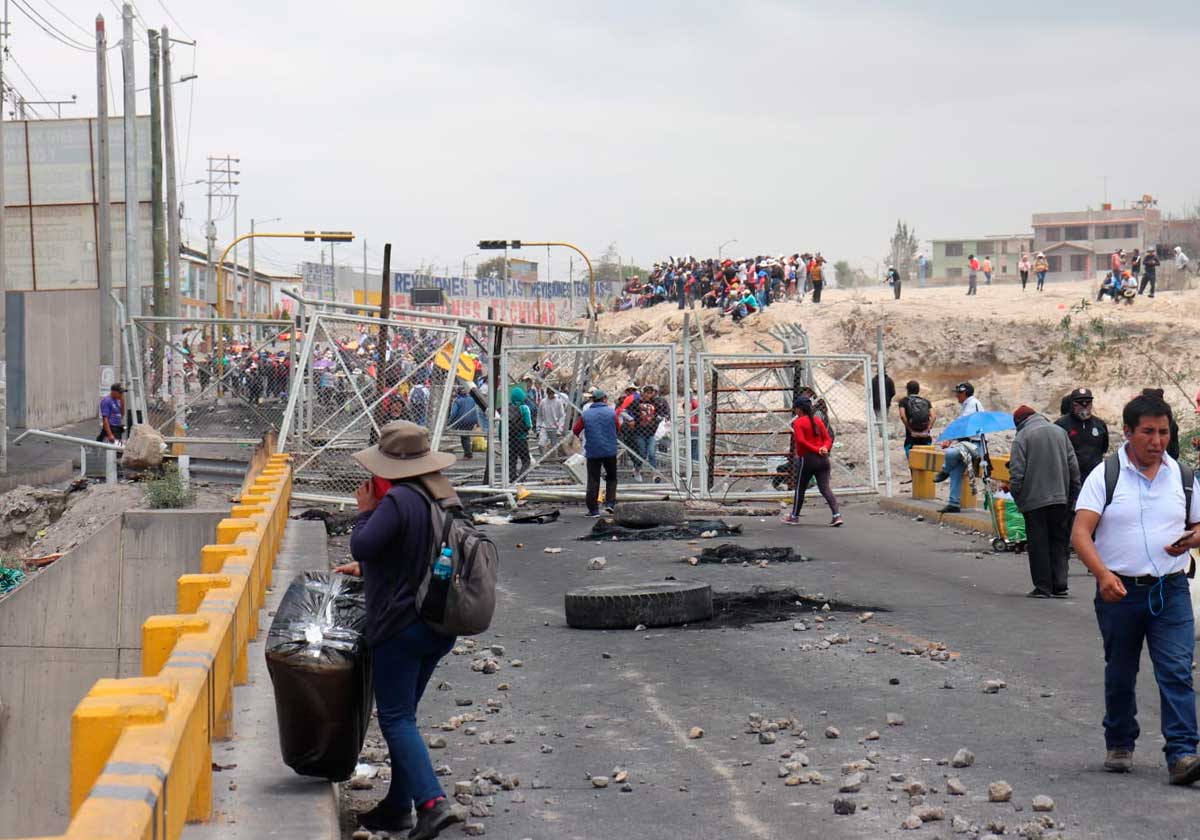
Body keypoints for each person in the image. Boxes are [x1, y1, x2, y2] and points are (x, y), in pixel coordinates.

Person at [335, 421, 464, 837]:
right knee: (406, 715)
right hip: (439, 621)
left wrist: (365, 512)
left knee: (394, 718)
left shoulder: (397, 501)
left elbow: (365, 545)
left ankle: (431, 803)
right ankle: (397, 807)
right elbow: (414, 552)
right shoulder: (442, 495)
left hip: (401, 624)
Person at [1071, 392, 1200, 785]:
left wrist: (1192, 539)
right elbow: (1080, 533)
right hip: (1119, 593)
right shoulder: (1105, 476)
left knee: (1177, 670)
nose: (1156, 441)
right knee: (1122, 671)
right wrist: (1103, 576)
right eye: (1148, 432)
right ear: (1127, 432)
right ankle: (1120, 741)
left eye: (1163, 432)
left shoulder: (1184, 477)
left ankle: (1183, 754)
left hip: (1171, 589)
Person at [1009, 405, 1080, 598]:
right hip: (1060, 498)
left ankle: (1043, 587)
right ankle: (1060, 584)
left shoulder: (1022, 438)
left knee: (1038, 543)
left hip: (1034, 500)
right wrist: (1074, 495)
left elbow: (1017, 473)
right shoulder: (1060, 432)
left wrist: (1018, 497)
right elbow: (1073, 467)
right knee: (1059, 541)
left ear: (1019, 422)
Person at [783, 396, 843, 527]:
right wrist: (824, 448)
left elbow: (801, 442)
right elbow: (828, 438)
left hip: (808, 459)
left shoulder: (798, 423)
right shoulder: (817, 420)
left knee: (800, 488)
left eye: (796, 408)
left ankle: (794, 516)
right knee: (825, 488)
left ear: (799, 409)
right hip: (823, 459)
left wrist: (816, 449)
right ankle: (836, 515)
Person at [934, 382, 984, 513]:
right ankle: (953, 503)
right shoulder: (967, 405)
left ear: (964, 393)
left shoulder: (972, 403)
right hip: (966, 445)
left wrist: (949, 439)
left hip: (975, 445)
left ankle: (944, 471)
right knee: (956, 471)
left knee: (950, 454)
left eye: (958, 393)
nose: (956, 396)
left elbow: (962, 423)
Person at [573, 389, 619, 517]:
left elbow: (576, 430)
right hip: (610, 450)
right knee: (612, 477)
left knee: (593, 479)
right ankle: (610, 503)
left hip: (593, 451)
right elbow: (618, 427)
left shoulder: (586, 414)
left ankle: (593, 510)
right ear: (604, 399)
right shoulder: (611, 412)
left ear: (593, 400)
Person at [897, 380, 934, 458]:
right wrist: (927, 430)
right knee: (925, 466)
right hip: (925, 439)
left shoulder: (904, 401)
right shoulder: (926, 401)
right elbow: (933, 416)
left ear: (907, 390)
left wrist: (910, 430)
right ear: (918, 390)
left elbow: (902, 416)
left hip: (911, 440)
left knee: (914, 465)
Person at [507, 385, 532, 480]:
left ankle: (512, 478)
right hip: (521, 439)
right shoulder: (524, 408)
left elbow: (501, 425)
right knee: (526, 460)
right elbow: (528, 424)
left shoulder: (507, 408)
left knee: (512, 460)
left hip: (510, 439)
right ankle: (521, 478)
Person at [537, 385, 569, 457]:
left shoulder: (558, 402)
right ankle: (543, 458)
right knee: (541, 443)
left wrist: (560, 429)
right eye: (549, 394)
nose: (550, 395)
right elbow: (539, 415)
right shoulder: (543, 402)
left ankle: (554, 460)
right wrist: (538, 427)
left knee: (554, 447)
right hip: (545, 426)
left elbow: (562, 416)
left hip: (555, 427)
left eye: (552, 393)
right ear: (547, 393)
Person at [447, 386, 478, 459]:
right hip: (472, 420)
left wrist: (449, 422)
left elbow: (453, 413)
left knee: (464, 437)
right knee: (466, 436)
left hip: (462, 420)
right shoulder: (472, 399)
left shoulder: (458, 401)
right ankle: (468, 453)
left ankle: (468, 454)